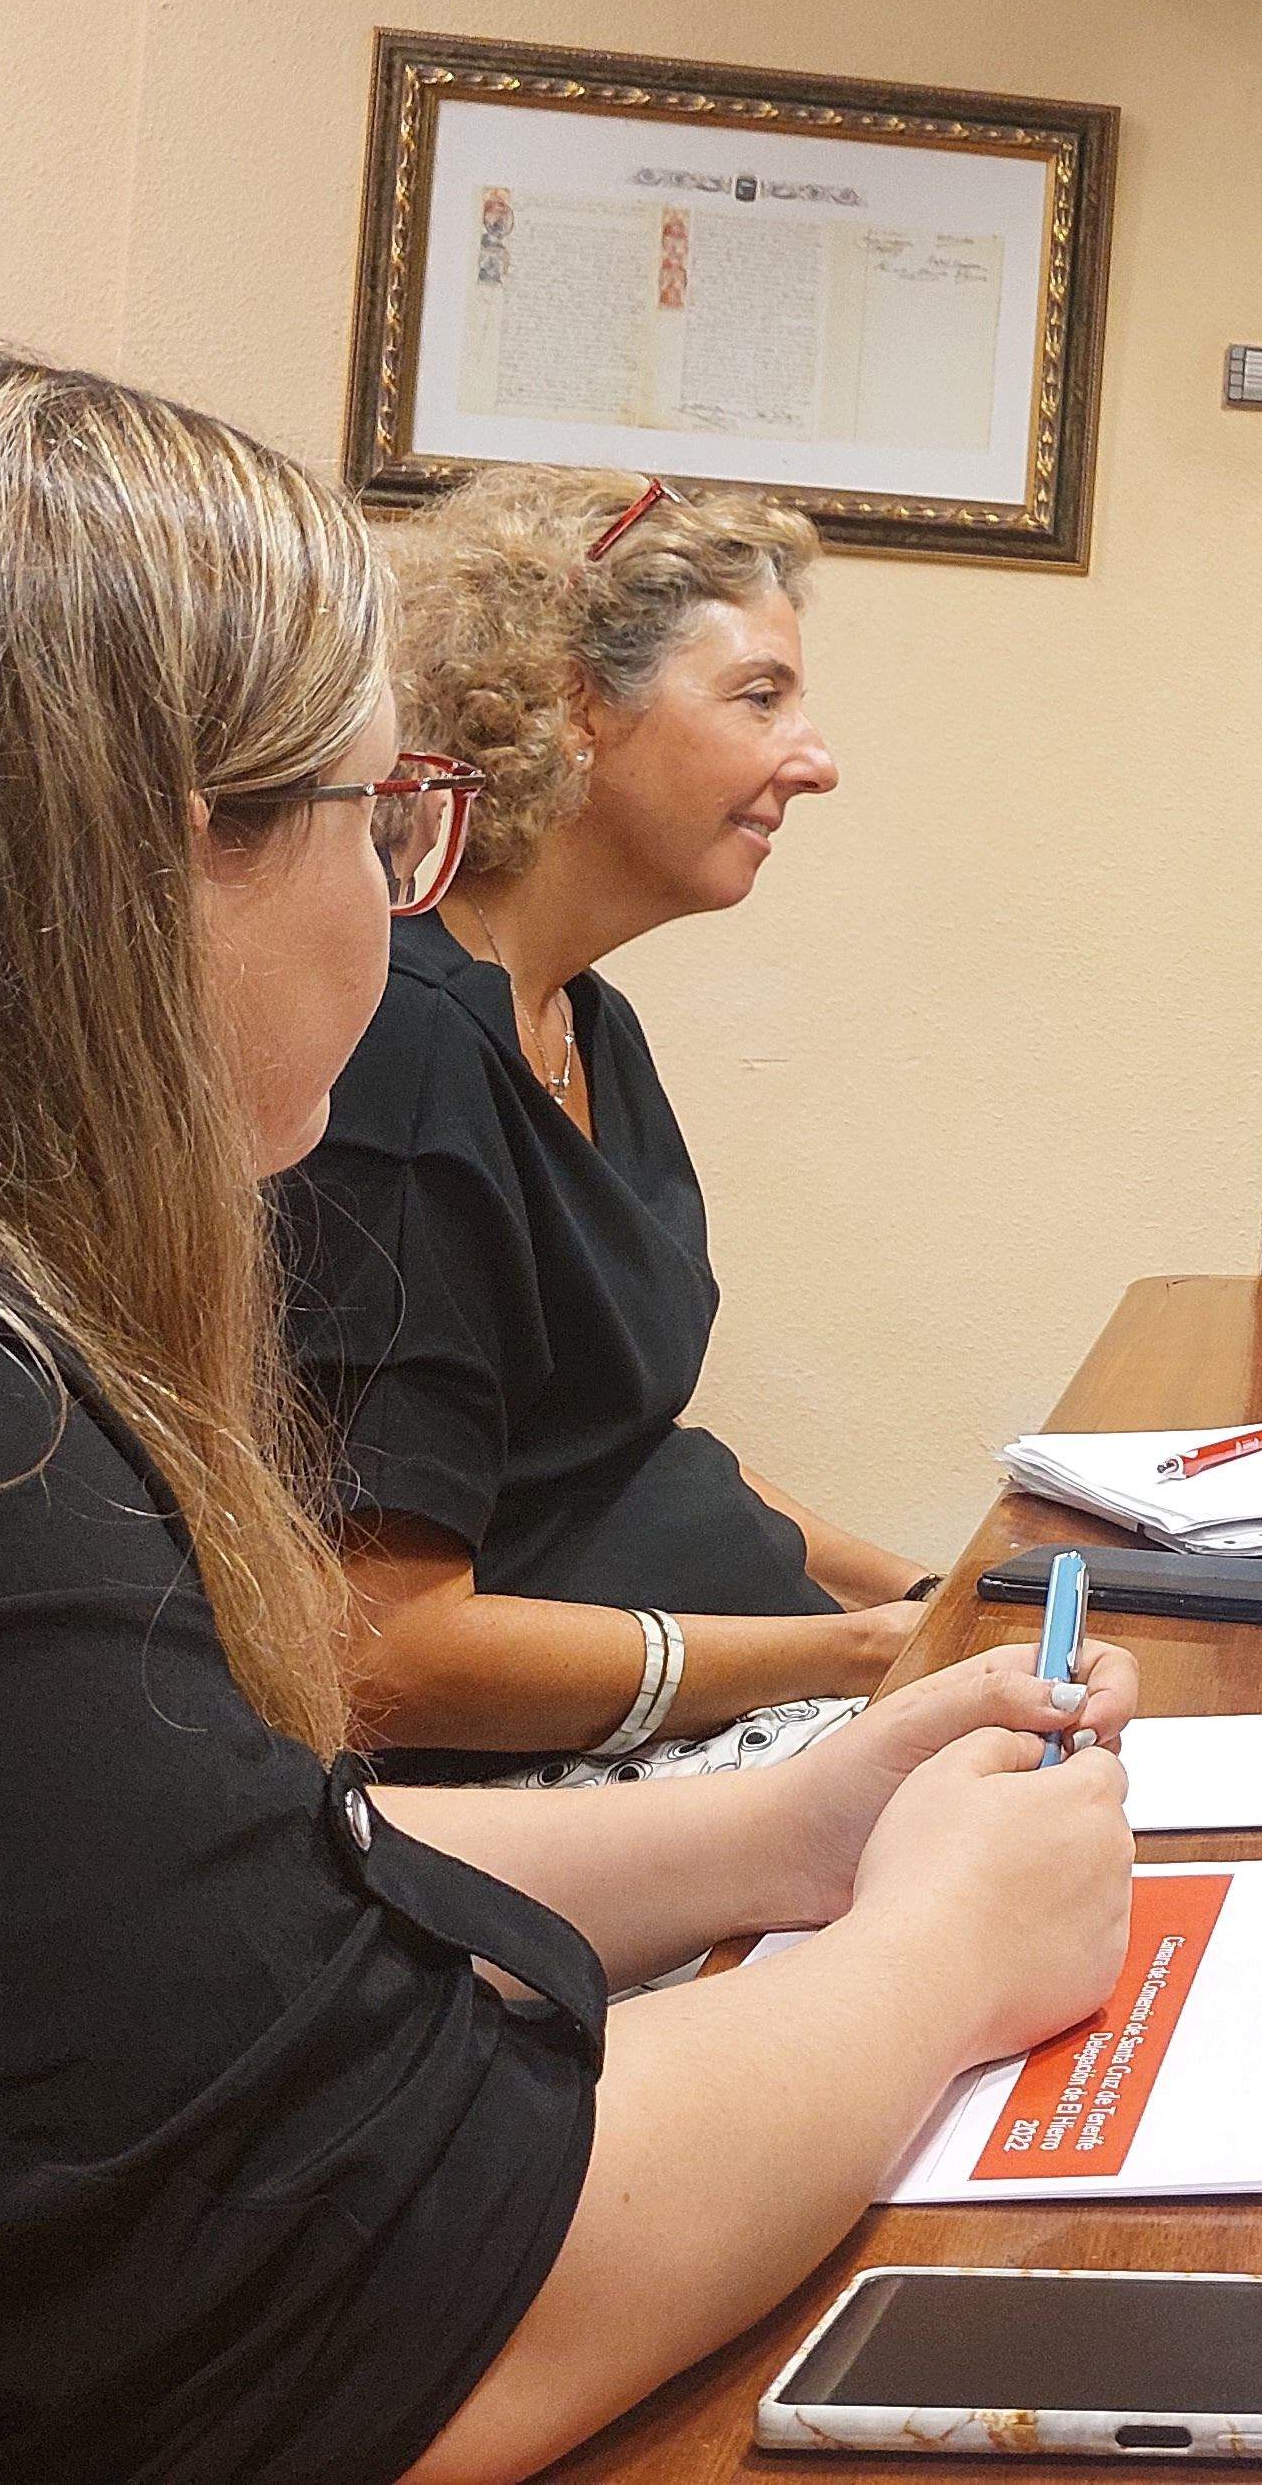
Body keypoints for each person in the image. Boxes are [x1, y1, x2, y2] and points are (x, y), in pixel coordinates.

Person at [0, 334, 1140, 2483]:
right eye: (382, 820)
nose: (406, 899)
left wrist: (794, 1826)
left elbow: (245, 1861)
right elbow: (408, 2298)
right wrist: (942, 1952)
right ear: (151, 868)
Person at [276, 466, 916, 1776]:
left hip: (727, 1715)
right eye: (759, 698)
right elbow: (378, 1657)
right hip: (534, 1789)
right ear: (573, 705)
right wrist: (854, 1654)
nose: (816, 761)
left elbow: (614, 1454)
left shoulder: (583, 1018)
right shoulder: (407, 1054)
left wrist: (928, 1595)